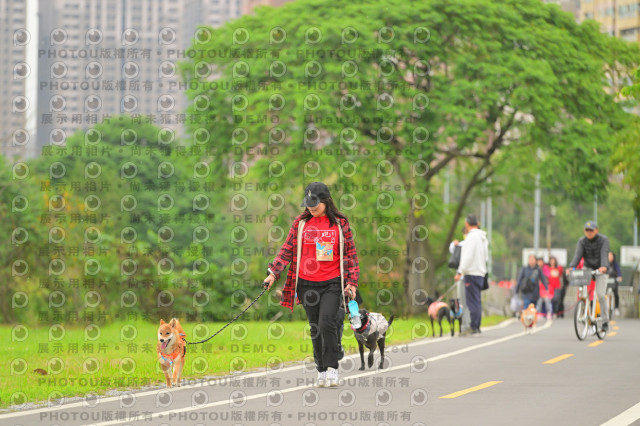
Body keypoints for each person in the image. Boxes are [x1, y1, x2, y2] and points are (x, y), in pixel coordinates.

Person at [263, 182, 359, 387]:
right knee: (315, 327)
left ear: (326, 201)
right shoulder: (301, 223)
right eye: (308, 203)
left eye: (315, 203)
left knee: (326, 322)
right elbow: (287, 249)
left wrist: (352, 282)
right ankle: (321, 369)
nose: (311, 207)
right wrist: (273, 273)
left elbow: (350, 254)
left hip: (332, 282)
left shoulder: (340, 223)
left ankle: (332, 368)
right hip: (306, 284)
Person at [566, 220, 610, 331]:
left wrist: (604, 266)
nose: (589, 232)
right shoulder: (582, 241)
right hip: (588, 269)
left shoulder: (603, 240)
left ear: (596, 230)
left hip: (601, 269)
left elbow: (604, 254)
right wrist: (571, 267)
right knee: (582, 293)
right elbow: (577, 255)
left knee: (600, 294)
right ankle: (584, 312)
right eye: (587, 230)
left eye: (591, 230)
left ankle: (605, 321)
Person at [454, 214, 488, 336]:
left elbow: (467, 257)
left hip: (471, 272)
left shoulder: (471, 237)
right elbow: (486, 257)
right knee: (477, 300)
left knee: (471, 301)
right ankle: (477, 326)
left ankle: (473, 326)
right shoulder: (483, 237)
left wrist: (460, 271)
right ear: (477, 223)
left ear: (467, 224)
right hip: (480, 272)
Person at [450, 227, 471, 334]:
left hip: (465, 277)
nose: (466, 234)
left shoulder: (467, 245)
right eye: (465, 233)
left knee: (465, 302)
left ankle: (466, 325)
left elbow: (465, 261)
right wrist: (454, 244)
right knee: (464, 302)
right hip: (468, 277)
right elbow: (452, 250)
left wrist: (459, 273)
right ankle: (466, 325)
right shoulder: (462, 244)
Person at [608, 251, 622, 317]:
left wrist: (619, 276)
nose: (610, 257)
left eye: (611, 256)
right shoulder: (605, 263)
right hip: (607, 280)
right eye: (609, 256)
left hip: (614, 280)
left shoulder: (615, 263)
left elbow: (618, 270)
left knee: (616, 293)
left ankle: (616, 307)